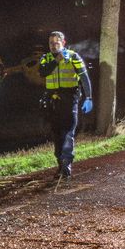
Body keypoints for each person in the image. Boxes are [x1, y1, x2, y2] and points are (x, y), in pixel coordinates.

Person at [38, 31, 93, 179]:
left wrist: (89, 97)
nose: (53, 46)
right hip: (52, 101)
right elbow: (43, 72)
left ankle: (66, 165)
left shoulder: (74, 57)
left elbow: (84, 77)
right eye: (51, 43)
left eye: (57, 43)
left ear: (63, 43)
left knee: (68, 132)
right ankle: (60, 164)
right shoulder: (46, 58)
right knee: (56, 133)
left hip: (69, 99)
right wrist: (56, 60)